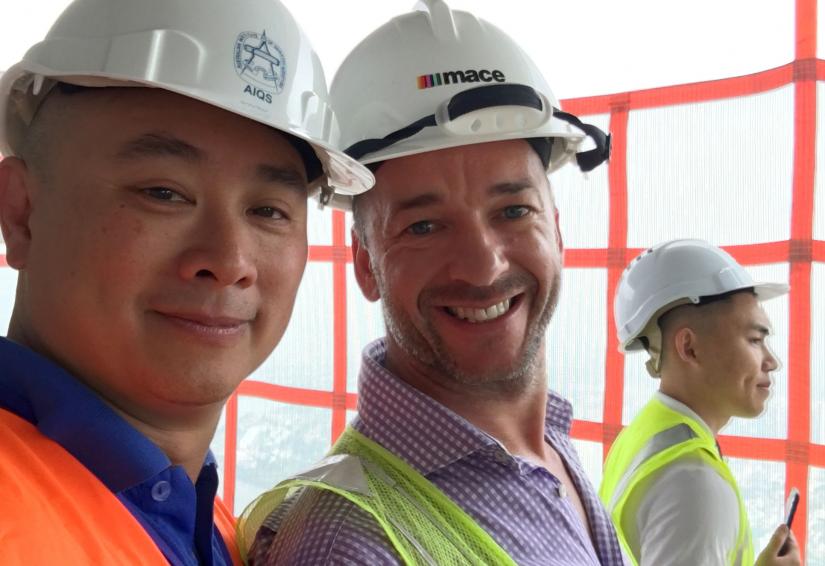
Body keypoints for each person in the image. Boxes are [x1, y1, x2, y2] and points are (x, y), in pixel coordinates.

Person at [239, 1, 624, 564]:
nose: (483, 267)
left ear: (557, 230)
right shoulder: (345, 545)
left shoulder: (550, 449)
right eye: (423, 226)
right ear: (366, 264)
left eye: (514, 211)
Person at [0, 0, 372, 563]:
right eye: (164, 193)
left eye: (269, 210)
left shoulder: (199, 520)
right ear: (22, 212)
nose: (229, 259)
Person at [600, 239, 801, 566]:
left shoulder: (646, 432)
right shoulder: (695, 484)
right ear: (689, 348)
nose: (772, 361)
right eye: (754, 339)